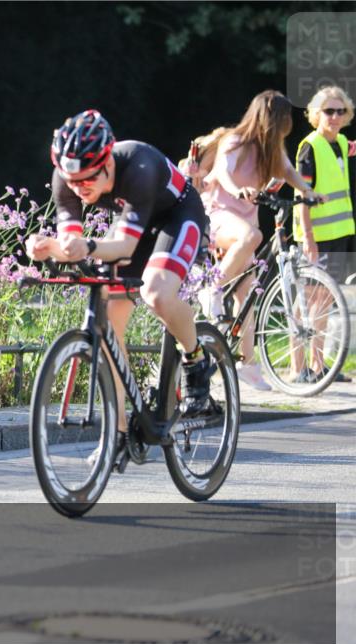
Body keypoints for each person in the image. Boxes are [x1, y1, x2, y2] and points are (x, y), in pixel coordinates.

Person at [25, 109, 213, 463]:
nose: (79, 188)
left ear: (108, 161)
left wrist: (87, 247)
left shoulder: (139, 166)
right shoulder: (66, 178)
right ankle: (120, 433)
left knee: (155, 291)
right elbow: (72, 242)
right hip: (133, 227)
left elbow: (124, 248)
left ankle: (196, 360)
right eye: (72, 180)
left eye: (87, 180)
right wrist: (44, 246)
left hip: (177, 218)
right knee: (110, 327)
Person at [200, 90, 321, 391]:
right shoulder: (235, 141)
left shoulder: (271, 149)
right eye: (284, 119)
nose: (287, 125)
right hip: (218, 216)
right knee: (253, 236)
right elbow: (222, 173)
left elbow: (290, 172)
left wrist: (308, 193)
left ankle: (247, 364)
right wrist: (237, 190)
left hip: (244, 224)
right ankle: (211, 289)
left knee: (248, 294)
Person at [292, 85, 355, 383]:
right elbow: (302, 195)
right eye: (328, 111)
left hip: (341, 233)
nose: (334, 116)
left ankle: (319, 367)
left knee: (326, 301)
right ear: (316, 114)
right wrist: (309, 239)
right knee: (308, 302)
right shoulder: (310, 146)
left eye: (340, 111)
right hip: (316, 235)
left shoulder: (340, 142)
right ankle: (299, 368)